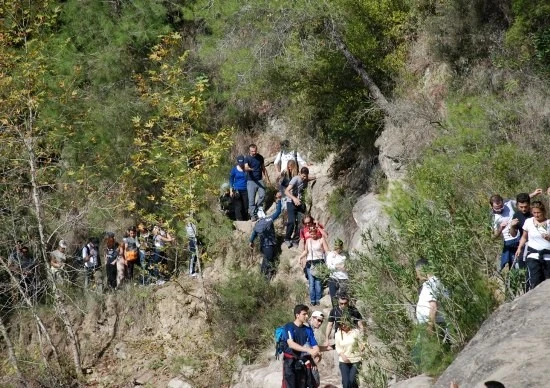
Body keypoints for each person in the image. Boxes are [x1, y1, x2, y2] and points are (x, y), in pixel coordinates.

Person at [491, 190, 542, 270]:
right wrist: (502, 228)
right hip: (510, 241)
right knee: (512, 265)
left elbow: (522, 200)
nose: (499, 209)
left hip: (522, 240)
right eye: (496, 208)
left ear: (503, 202)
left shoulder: (509, 203)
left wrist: (534, 194)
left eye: (501, 206)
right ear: (492, 207)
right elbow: (493, 236)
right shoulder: (495, 218)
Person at [281, 304, 320, 388]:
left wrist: (317, 354)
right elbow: (291, 344)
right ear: (297, 315)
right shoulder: (289, 327)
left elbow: (314, 345)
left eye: (307, 314)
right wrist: (309, 350)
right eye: (304, 314)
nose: (307, 316)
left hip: (303, 362)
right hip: (290, 363)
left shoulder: (308, 329)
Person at [515, 201, 550, 289]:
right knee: (535, 281)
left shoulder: (549, 223)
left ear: (543, 212)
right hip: (533, 255)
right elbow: (524, 237)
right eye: (534, 213)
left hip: (548, 256)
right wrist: (519, 248)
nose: (536, 215)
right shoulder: (529, 222)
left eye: (538, 213)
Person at [249, 192, 283, 280]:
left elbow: (253, 235)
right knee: (269, 260)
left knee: (265, 260)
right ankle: (266, 279)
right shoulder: (267, 220)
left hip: (263, 246)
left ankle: (262, 277)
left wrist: (251, 242)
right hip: (269, 245)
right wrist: (279, 200)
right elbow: (278, 212)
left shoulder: (257, 225)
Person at [299, 225, 329, 306]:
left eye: (314, 233)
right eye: (311, 234)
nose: (312, 235)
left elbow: (327, 251)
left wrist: (331, 258)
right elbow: (306, 251)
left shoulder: (321, 240)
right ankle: (312, 300)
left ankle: (318, 299)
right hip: (310, 263)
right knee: (311, 283)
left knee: (318, 283)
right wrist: (300, 257)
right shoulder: (308, 240)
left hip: (319, 263)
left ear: (317, 233)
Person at [285, 167, 311, 248]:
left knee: (301, 221)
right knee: (292, 221)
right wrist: (294, 198)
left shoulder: (305, 180)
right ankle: (287, 238)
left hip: (299, 203)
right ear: (300, 174)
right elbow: (286, 191)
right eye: (303, 176)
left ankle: (295, 239)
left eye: (306, 176)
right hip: (291, 202)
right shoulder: (295, 179)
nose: (304, 178)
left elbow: (311, 177)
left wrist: (312, 178)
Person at [334, 315, 363, 388]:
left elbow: (362, 342)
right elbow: (337, 347)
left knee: (352, 380)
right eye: (341, 324)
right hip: (344, 361)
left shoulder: (356, 332)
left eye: (345, 323)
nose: (343, 325)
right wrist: (342, 355)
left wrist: (363, 347)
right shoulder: (337, 334)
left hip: (356, 360)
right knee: (346, 383)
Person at [244, 144, 271, 221]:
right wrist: (248, 168)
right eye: (252, 151)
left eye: (255, 151)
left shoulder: (260, 157)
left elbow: (263, 168)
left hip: (259, 179)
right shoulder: (247, 158)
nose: (254, 152)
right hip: (251, 181)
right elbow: (245, 166)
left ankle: (255, 208)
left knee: (262, 195)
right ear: (249, 151)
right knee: (251, 199)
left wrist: (267, 179)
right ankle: (253, 215)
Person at [326, 239, 348, 307]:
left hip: (343, 278)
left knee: (343, 297)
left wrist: (346, 268)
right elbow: (329, 266)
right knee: (334, 298)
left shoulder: (345, 255)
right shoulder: (331, 255)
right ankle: (335, 313)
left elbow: (349, 265)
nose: (338, 250)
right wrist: (337, 266)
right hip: (333, 278)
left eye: (339, 248)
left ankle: (343, 313)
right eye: (337, 248)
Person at [230, 155, 249, 221]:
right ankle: (239, 220)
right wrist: (231, 190)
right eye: (239, 163)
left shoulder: (246, 169)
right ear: (237, 162)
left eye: (242, 162)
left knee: (245, 206)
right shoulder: (234, 170)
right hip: (237, 189)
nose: (241, 164)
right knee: (238, 206)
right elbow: (231, 180)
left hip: (245, 189)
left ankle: (245, 219)